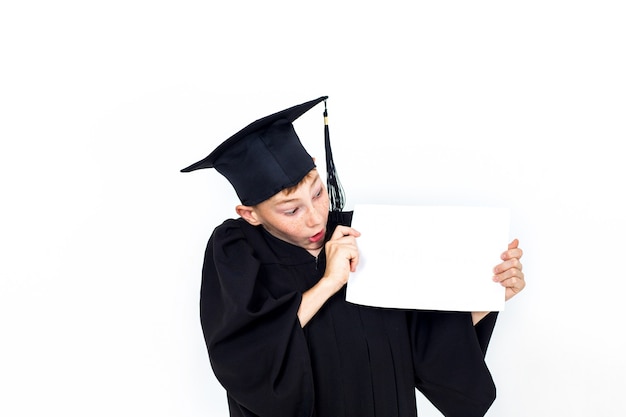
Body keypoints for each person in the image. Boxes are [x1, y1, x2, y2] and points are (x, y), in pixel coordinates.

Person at [181, 96, 525, 417]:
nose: (316, 217)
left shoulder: (363, 232)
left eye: (317, 193)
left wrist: (491, 293)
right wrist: (329, 283)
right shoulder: (236, 250)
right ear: (250, 214)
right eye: (290, 210)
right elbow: (246, 358)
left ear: (317, 167)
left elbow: (422, 348)